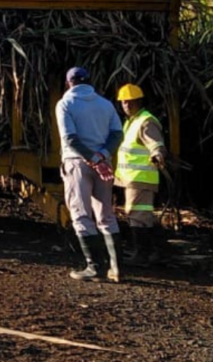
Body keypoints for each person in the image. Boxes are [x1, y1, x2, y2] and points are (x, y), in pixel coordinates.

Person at [54, 66, 125, 282]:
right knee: (106, 215)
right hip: (104, 164)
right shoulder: (105, 104)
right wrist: (102, 156)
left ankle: (94, 267)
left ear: (69, 83)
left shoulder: (65, 104)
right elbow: (117, 133)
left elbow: (70, 139)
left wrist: (93, 159)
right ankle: (116, 268)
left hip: (78, 163)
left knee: (81, 214)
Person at [115, 83, 168, 265]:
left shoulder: (146, 121)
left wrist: (158, 154)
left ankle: (142, 255)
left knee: (138, 215)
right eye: (124, 102)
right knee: (142, 215)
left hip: (141, 178)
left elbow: (156, 144)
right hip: (133, 178)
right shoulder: (132, 121)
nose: (127, 105)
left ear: (139, 101)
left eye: (131, 102)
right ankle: (156, 251)